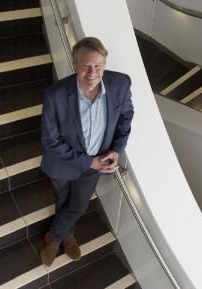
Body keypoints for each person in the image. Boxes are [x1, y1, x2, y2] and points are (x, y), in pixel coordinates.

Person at [40, 37, 134, 266]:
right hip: (63, 163)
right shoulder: (56, 94)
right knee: (63, 198)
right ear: (74, 65)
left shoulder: (120, 84)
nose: (92, 72)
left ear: (104, 64)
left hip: (98, 162)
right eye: (85, 66)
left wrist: (116, 149)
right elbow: (50, 141)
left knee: (79, 204)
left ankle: (53, 238)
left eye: (98, 66)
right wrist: (88, 162)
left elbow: (126, 116)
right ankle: (67, 236)